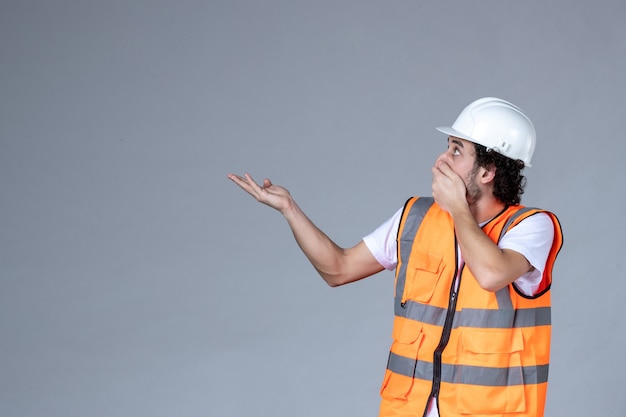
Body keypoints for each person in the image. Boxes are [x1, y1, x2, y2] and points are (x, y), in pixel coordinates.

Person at [227, 97, 563, 417]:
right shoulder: (415, 217)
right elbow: (338, 269)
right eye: (447, 147)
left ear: (487, 171)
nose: (440, 160)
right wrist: (289, 209)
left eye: (457, 151)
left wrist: (458, 206)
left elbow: (491, 274)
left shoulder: (532, 227)